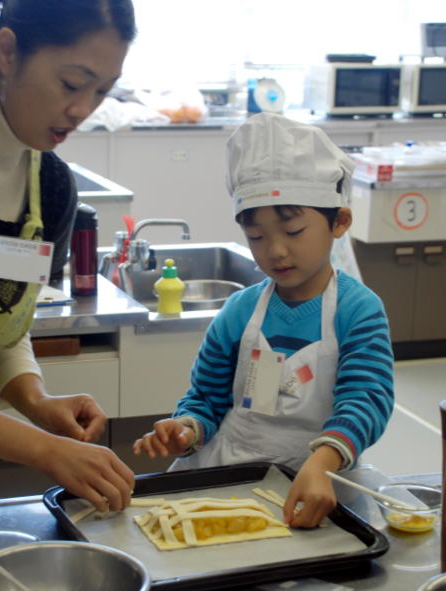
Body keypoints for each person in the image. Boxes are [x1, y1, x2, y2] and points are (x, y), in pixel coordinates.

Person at [133, 113, 394, 528]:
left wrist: (323, 461)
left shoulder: (357, 310)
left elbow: (365, 399)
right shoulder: (240, 312)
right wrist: (186, 429)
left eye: (293, 231)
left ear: (339, 222)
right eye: (257, 236)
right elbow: (206, 399)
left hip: (318, 481)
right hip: (229, 475)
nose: (275, 251)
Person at [0, 0, 137, 510]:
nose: (83, 110)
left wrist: (35, 399)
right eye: (71, 83)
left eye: (101, 91)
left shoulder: (52, 187)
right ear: (8, 50)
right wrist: (46, 450)